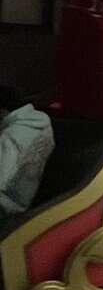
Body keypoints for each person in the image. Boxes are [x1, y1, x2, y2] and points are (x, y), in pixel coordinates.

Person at [0, 86, 55, 218]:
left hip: (6, 207)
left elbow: (2, 179)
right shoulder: (38, 123)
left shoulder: (14, 136)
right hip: (19, 201)